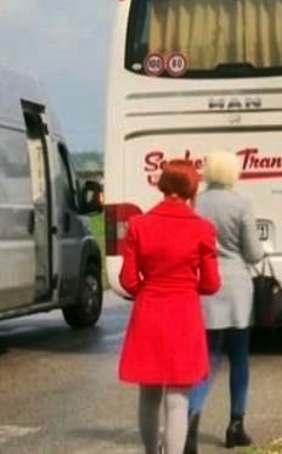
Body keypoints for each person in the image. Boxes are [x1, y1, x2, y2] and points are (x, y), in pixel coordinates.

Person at [118, 160, 220, 454]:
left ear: (163, 184)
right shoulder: (202, 228)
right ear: (191, 188)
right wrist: (187, 288)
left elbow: (127, 279)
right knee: (179, 398)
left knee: (148, 395)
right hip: (184, 313)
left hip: (148, 311)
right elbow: (212, 284)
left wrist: (148, 290)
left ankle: (152, 451)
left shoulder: (139, 224)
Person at [185, 150, 265, 454]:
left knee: (204, 360)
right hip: (236, 290)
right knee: (239, 357)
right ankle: (235, 425)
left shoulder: (196, 204)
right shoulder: (241, 204)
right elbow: (253, 253)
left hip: (203, 287)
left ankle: (191, 423)